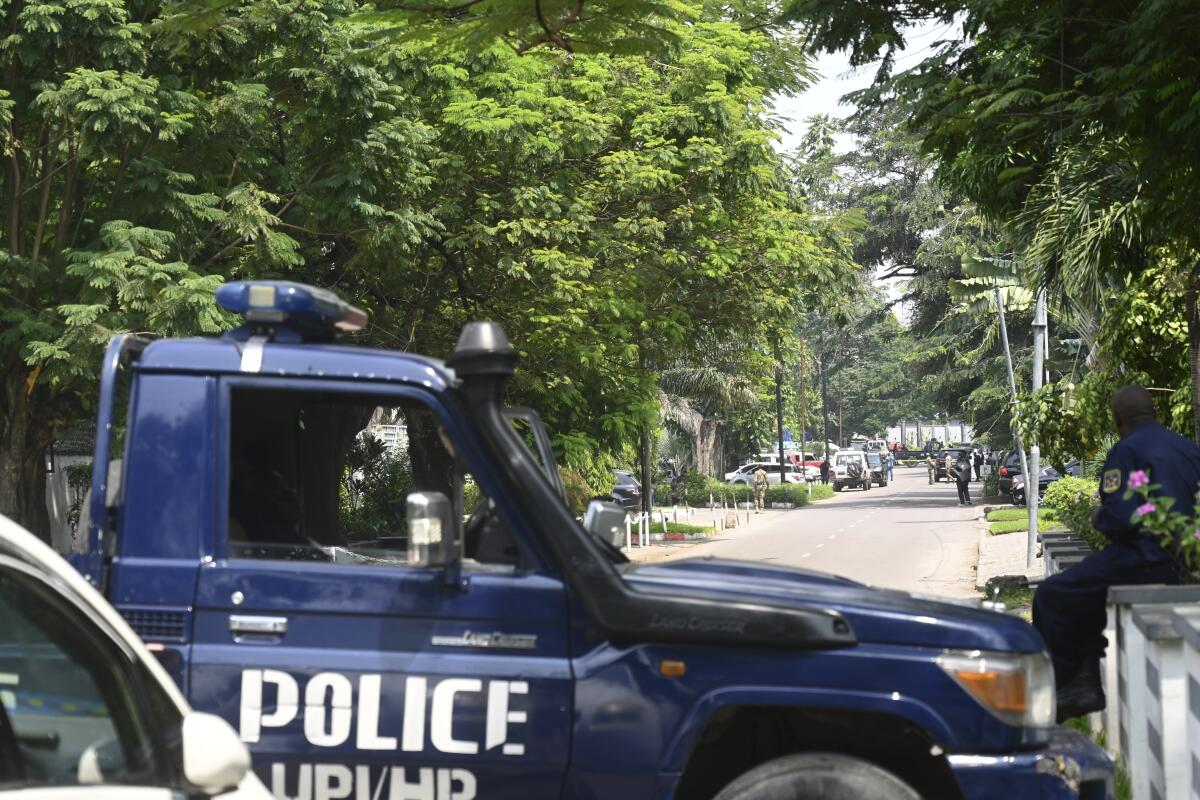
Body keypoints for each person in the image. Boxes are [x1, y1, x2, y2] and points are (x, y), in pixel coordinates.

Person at [1033, 385, 1200, 722]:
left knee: (1053, 595)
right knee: (1088, 591)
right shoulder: (1188, 449)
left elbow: (1121, 519)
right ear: (1154, 413)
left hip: (1145, 557)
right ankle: (1085, 681)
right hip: (1187, 558)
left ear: (1118, 420)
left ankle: (1072, 685)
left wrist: (1099, 516)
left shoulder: (1126, 451)